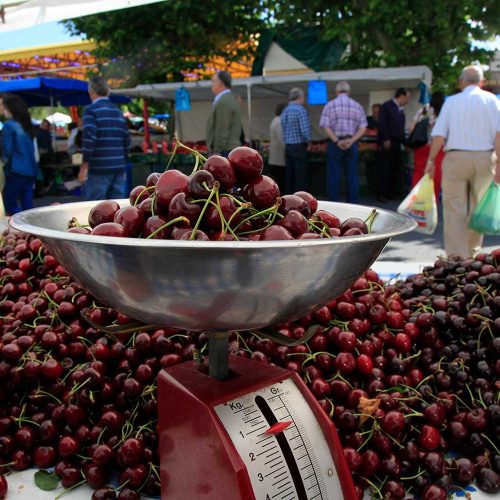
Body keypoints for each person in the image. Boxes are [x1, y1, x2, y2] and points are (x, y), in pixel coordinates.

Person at [425, 65, 500, 258]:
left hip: (455, 158)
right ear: (482, 82)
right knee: (479, 209)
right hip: (485, 157)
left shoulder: (451, 102)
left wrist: (431, 160)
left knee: (453, 210)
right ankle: (473, 253)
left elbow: (439, 136)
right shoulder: (492, 100)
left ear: (461, 82)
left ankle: (456, 257)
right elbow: (499, 135)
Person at [79, 76, 130, 200]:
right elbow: (127, 141)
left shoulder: (90, 110)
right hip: (118, 167)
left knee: (95, 209)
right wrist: (122, 159)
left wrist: (84, 165)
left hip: (98, 168)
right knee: (116, 209)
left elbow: (89, 138)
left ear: (91, 92)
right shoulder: (118, 112)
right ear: (108, 92)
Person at [319, 81, 367, 203]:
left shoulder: (330, 105)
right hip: (351, 143)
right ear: (349, 91)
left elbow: (326, 126)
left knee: (334, 176)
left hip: (336, 144)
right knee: (352, 175)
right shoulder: (357, 106)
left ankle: (334, 205)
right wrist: (352, 140)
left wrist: (336, 141)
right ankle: (353, 205)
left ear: (337, 91)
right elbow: (363, 127)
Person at [0, 93, 39, 215]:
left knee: (9, 203)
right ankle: (31, 231)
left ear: (9, 109)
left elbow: (6, 151)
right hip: (30, 170)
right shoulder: (26, 126)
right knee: (28, 206)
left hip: (16, 170)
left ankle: (21, 229)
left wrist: (2, 164)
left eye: (3, 107)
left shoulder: (9, 126)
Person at [409, 91, 445, 200]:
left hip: (421, 145)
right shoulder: (445, 112)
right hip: (439, 147)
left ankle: (416, 197)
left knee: (419, 170)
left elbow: (412, 128)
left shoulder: (423, 110)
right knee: (436, 173)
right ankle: (432, 198)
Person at [378, 88, 411, 201]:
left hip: (397, 142)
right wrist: (385, 138)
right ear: (401, 96)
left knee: (396, 169)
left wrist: (404, 143)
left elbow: (400, 129)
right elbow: (382, 123)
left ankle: (392, 192)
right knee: (385, 169)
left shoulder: (400, 110)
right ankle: (382, 193)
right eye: (407, 97)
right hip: (388, 141)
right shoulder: (387, 106)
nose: (407, 100)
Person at [280, 87, 311, 193]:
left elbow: (283, 129)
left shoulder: (285, 111)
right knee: (300, 176)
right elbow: (304, 131)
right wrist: (308, 142)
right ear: (300, 97)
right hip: (299, 146)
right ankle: (300, 199)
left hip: (288, 147)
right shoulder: (300, 110)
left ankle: (289, 198)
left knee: (290, 175)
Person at [205, 71, 242, 157]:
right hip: (229, 148)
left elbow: (222, 128)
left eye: (213, 82)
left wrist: (217, 150)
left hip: (225, 150)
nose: (212, 85)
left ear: (221, 84)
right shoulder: (229, 98)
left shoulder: (223, 101)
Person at [268, 103, 287, 192]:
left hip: (275, 157)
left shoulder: (275, 120)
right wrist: (287, 151)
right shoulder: (279, 121)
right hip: (278, 157)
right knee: (280, 180)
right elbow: (281, 139)